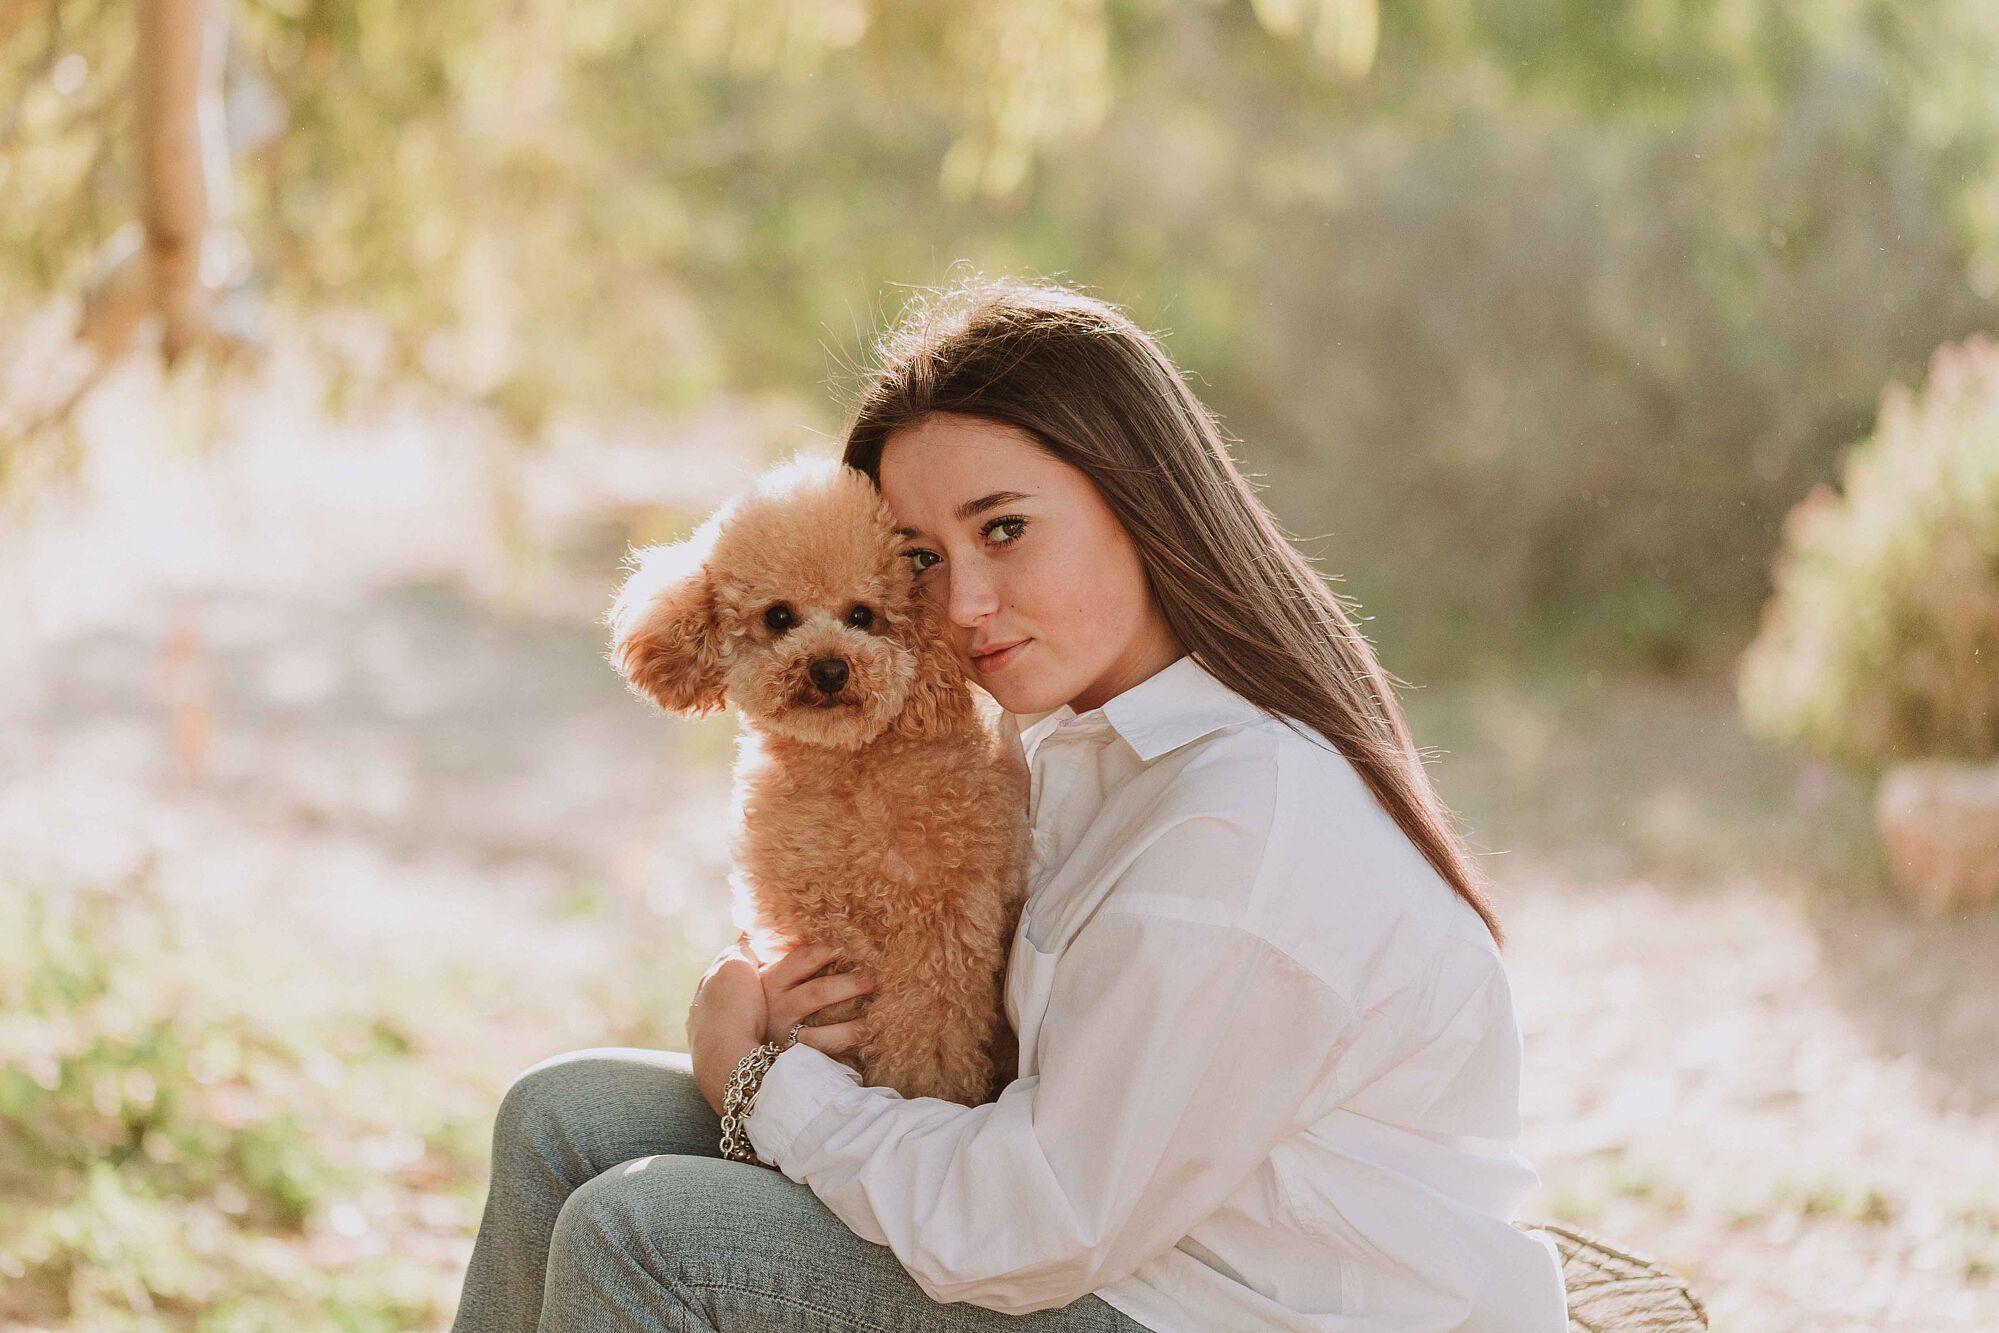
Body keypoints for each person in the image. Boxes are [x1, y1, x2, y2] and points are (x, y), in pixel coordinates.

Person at [449, 278, 1570, 1332]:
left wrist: (759, 1084)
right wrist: (819, 1023)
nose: (967, 602)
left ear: (1139, 502)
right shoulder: (1071, 746)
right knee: (561, 1118)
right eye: (925, 559)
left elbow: (1034, 1225)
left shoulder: (1243, 820)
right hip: (1129, 1254)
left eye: (1003, 528)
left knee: (642, 1230)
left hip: (1237, 1307)